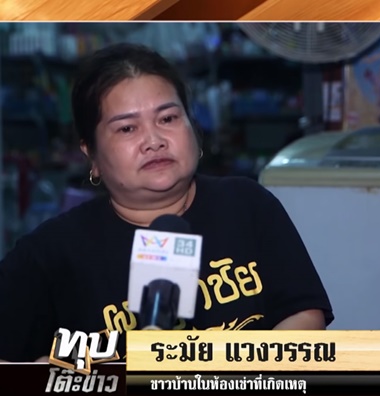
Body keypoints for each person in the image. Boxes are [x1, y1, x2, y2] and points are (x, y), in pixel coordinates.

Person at [0, 43, 333, 362]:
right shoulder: (50, 252)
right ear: (92, 154)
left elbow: (304, 315)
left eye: (168, 119)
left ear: (193, 128)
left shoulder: (247, 204)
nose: (154, 140)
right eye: (127, 128)